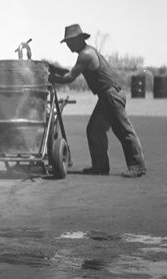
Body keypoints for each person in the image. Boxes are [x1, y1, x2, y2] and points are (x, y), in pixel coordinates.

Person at [48, 24, 146, 178]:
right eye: (66, 43)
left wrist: (47, 77)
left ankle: (137, 166)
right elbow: (71, 71)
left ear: (79, 40)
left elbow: (69, 77)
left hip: (110, 95)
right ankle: (100, 166)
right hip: (107, 95)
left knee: (124, 130)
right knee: (94, 129)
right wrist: (54, 69)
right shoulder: (87, 52)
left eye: (69, 42)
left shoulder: (85, 54)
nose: (68, 46)